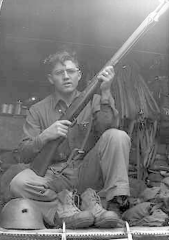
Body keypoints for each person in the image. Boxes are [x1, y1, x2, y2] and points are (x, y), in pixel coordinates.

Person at [9, 50, 131, 229]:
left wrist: (106, 91)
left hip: (87, 171)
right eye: (59, 73)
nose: (66, 77)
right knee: (18, 184)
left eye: (71, 71)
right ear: (51, 78)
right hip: (54, 176)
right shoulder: (37, 110)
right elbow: (24, 154)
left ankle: (112, 206)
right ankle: (60, 212)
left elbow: (109, 129)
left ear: (79, 75)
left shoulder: (96, 100)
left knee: (118, 136)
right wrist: (45, 136)